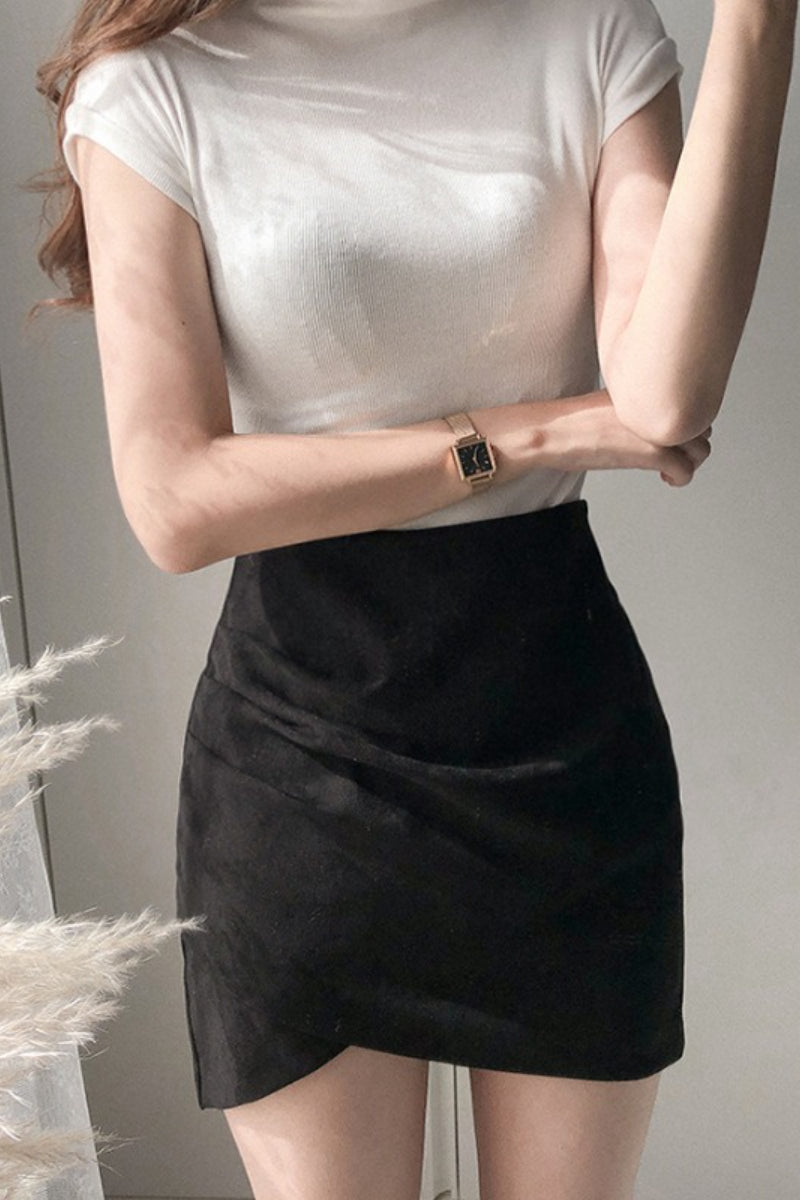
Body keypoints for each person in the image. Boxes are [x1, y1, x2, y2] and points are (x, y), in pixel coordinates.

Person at [31, 0, 795, 1196]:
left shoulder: (590, 30)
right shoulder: (154, 85)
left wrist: (756, 26)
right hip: (298, 758)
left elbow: (661, 399)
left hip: (561, 748)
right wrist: (523, 435)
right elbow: (175, 499)